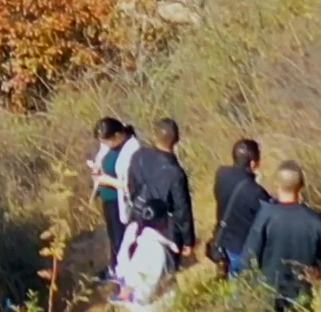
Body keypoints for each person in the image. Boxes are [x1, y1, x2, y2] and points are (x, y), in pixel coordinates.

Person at [241, 160, 321, 312]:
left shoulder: (266, 216)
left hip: (269, 294)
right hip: (302, 297)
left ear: (276, 185)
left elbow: (249, 257)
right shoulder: (315, 221)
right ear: (301, 186)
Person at [125, 117, 196, 261]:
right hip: (164, 229)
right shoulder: (175, 173)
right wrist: (188, 240)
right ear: (176, 139)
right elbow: (181, 209)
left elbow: (130, 185)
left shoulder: (139, 155)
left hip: (137, 219)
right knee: (163, 268)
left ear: (154, 135)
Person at [211, 138, 269, 276]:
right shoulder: (255, 192)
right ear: (254, 163)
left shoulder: (221, 174)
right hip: (240, 247)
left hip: (222, 240)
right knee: (239, 285)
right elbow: (267, 216)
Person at [88, 117, 131, 276]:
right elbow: (101, 163)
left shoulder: (129, 150)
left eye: (107, 141)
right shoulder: (108, 147)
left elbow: (129, 183)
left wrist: (106, 180)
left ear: (117, 135)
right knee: (113, 236)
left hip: (119, 200)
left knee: (121, 237)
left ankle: (123, 271)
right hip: (108, 198)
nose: (105, 144)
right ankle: (115, 268)